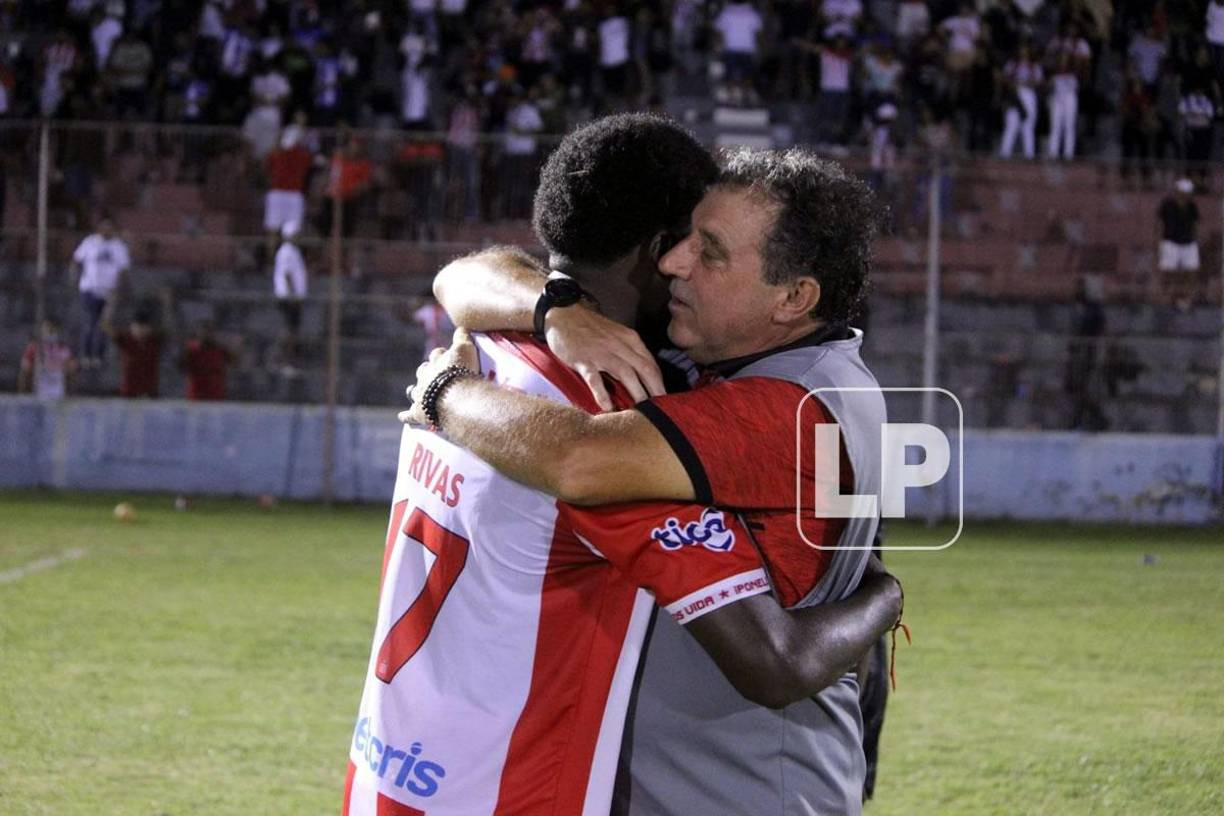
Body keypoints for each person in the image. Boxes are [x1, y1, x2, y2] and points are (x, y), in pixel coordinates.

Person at [347, 115, 902, 816]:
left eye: (710, 251)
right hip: (566, 782)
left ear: (794, 298)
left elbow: (576, 455)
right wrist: (554, 308)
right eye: (683, 241)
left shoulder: (519, 370)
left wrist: (442, 390)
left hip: (739, 787)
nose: (678, 265)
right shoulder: (637, 390)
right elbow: (461, 276)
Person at [71, 215, 130, 368]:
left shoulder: (118, 246)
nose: (107, 230)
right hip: (90, 288)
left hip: (109, 291)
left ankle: (98, 355)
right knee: (90, 321)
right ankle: (86, 354)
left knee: (104, 324)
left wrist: (121, 290)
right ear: (99, 228)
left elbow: (124, 271)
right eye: (104, 227)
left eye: (110, 228)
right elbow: (76, 260)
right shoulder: (90, 242)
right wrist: (74, 278)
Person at [103, 303, 165, 398]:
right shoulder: (126, 339)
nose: (140, 330)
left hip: (150, 393)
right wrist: (111, 303)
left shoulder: (155, 341)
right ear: (132, 327)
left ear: (150, 328)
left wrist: (166, 304)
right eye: (137, 327)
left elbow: (169, 328)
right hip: (129, 392)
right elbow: (105, 326)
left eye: (144, 327)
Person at [1157, 178, 1200, 311]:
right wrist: (1159, 242)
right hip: (1170, 242)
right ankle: (1165, 297)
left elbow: (1195, 225)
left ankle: (1186, 299)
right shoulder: (1167, 205)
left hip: (1188, 243)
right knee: (1167, 272)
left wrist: (1196, 240)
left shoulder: (1192, 206)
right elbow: (1160, 224)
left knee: (1191, 272)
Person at [273, 221, 307, 365]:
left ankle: (290, 357)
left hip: (293, 297)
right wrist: (293, 295)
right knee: (289, 328)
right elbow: (287, 274)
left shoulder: (293, 251)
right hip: (289, 297)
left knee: (293, 328)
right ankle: (285, 357)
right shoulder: (286, 252)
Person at [180, 320, 238, 401]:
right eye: (204, 332)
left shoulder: (220, 350)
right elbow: (181, 366)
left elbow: (234, 362)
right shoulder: (192, 350)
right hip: (197, 396)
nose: (207, 335)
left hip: (216, 396)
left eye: (209, 332)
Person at [18, 319, 76, 399]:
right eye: (47, 330)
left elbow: (72, 368)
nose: (49, 333)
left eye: (52, 330)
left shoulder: (63, 349)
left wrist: (60, 367)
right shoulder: (34, 348)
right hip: (38, 390)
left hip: (58, 390)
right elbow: (25, 368)